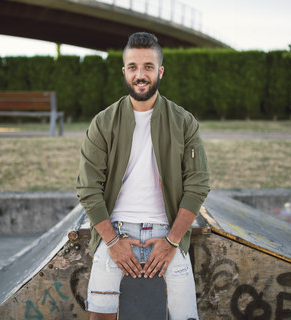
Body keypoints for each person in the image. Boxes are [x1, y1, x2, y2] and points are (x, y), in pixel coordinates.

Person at [76, 31, 210, 320]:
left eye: (148, 67)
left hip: (168, 234)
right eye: (133, 67)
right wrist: (112, 242)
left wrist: (173, 240)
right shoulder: (103, 122)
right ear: (124, 71)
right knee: (99, 316)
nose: (141, 75)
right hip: (116, 231)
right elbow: (88, 187)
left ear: (160, 71)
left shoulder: (184, 121)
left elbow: (198, 185)